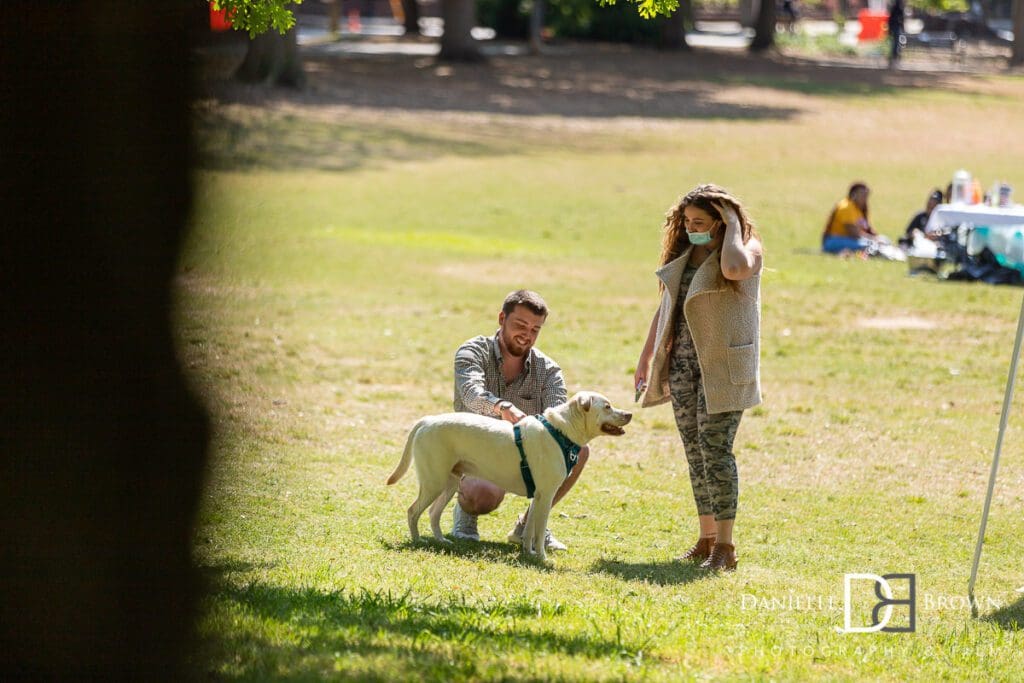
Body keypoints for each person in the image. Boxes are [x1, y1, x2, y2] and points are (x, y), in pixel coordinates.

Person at [634, 184, 763, 572]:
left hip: (723, 370)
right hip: (684, 367)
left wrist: (735, 226)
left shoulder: (747, 249)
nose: (692, 228)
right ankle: (706, 539)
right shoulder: (686, 254)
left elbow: (733, 269)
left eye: (701, 222)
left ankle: (726, 547)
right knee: (695, 451)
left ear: (721, 222)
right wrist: (647, 356)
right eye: (687, 221)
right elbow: (666, 305)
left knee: (716, 451)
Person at [450, 289, 589, 550]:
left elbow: (561, 418)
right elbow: (471, 394)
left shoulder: (548, 370)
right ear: (502, 318)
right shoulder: (472, 351)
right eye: (521, 325)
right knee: (482, 496)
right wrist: (502, 408)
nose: (527, 334)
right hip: (477, 449)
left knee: (578, 449)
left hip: (525, 448)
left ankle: (531, 526)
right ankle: (465, 517)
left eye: (535, 329)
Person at [822, 182, 881, 254]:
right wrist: (873, 239)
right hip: (835, 241)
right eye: (863, 195)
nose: (865, 198)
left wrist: (877, 238)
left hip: (850, 240)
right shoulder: (846, 207)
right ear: (854, 195)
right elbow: (853, 233)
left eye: (867, 196)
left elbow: (867, 228)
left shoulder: (859, 209)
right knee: (872, 246)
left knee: (883, 240)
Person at [887, 0, 905, 67]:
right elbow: (901, 19)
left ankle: (894, 58)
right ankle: (894, 58)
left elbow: (891, 20)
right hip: (896, 27)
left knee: (896, 43)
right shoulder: (898, 8)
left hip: (895, 27)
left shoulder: (896, 8)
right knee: (896, 43)